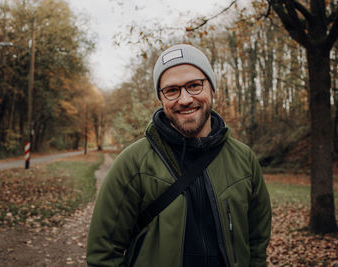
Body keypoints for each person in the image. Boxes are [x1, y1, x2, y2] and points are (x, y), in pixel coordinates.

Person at [86, 44, 271, 267]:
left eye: (194, 85)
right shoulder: (133, 164)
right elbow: (103, 253)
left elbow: (257, 244)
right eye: (172, 90)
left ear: (212, 88)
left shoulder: (244, 160)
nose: (184, 99)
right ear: (161, 98)